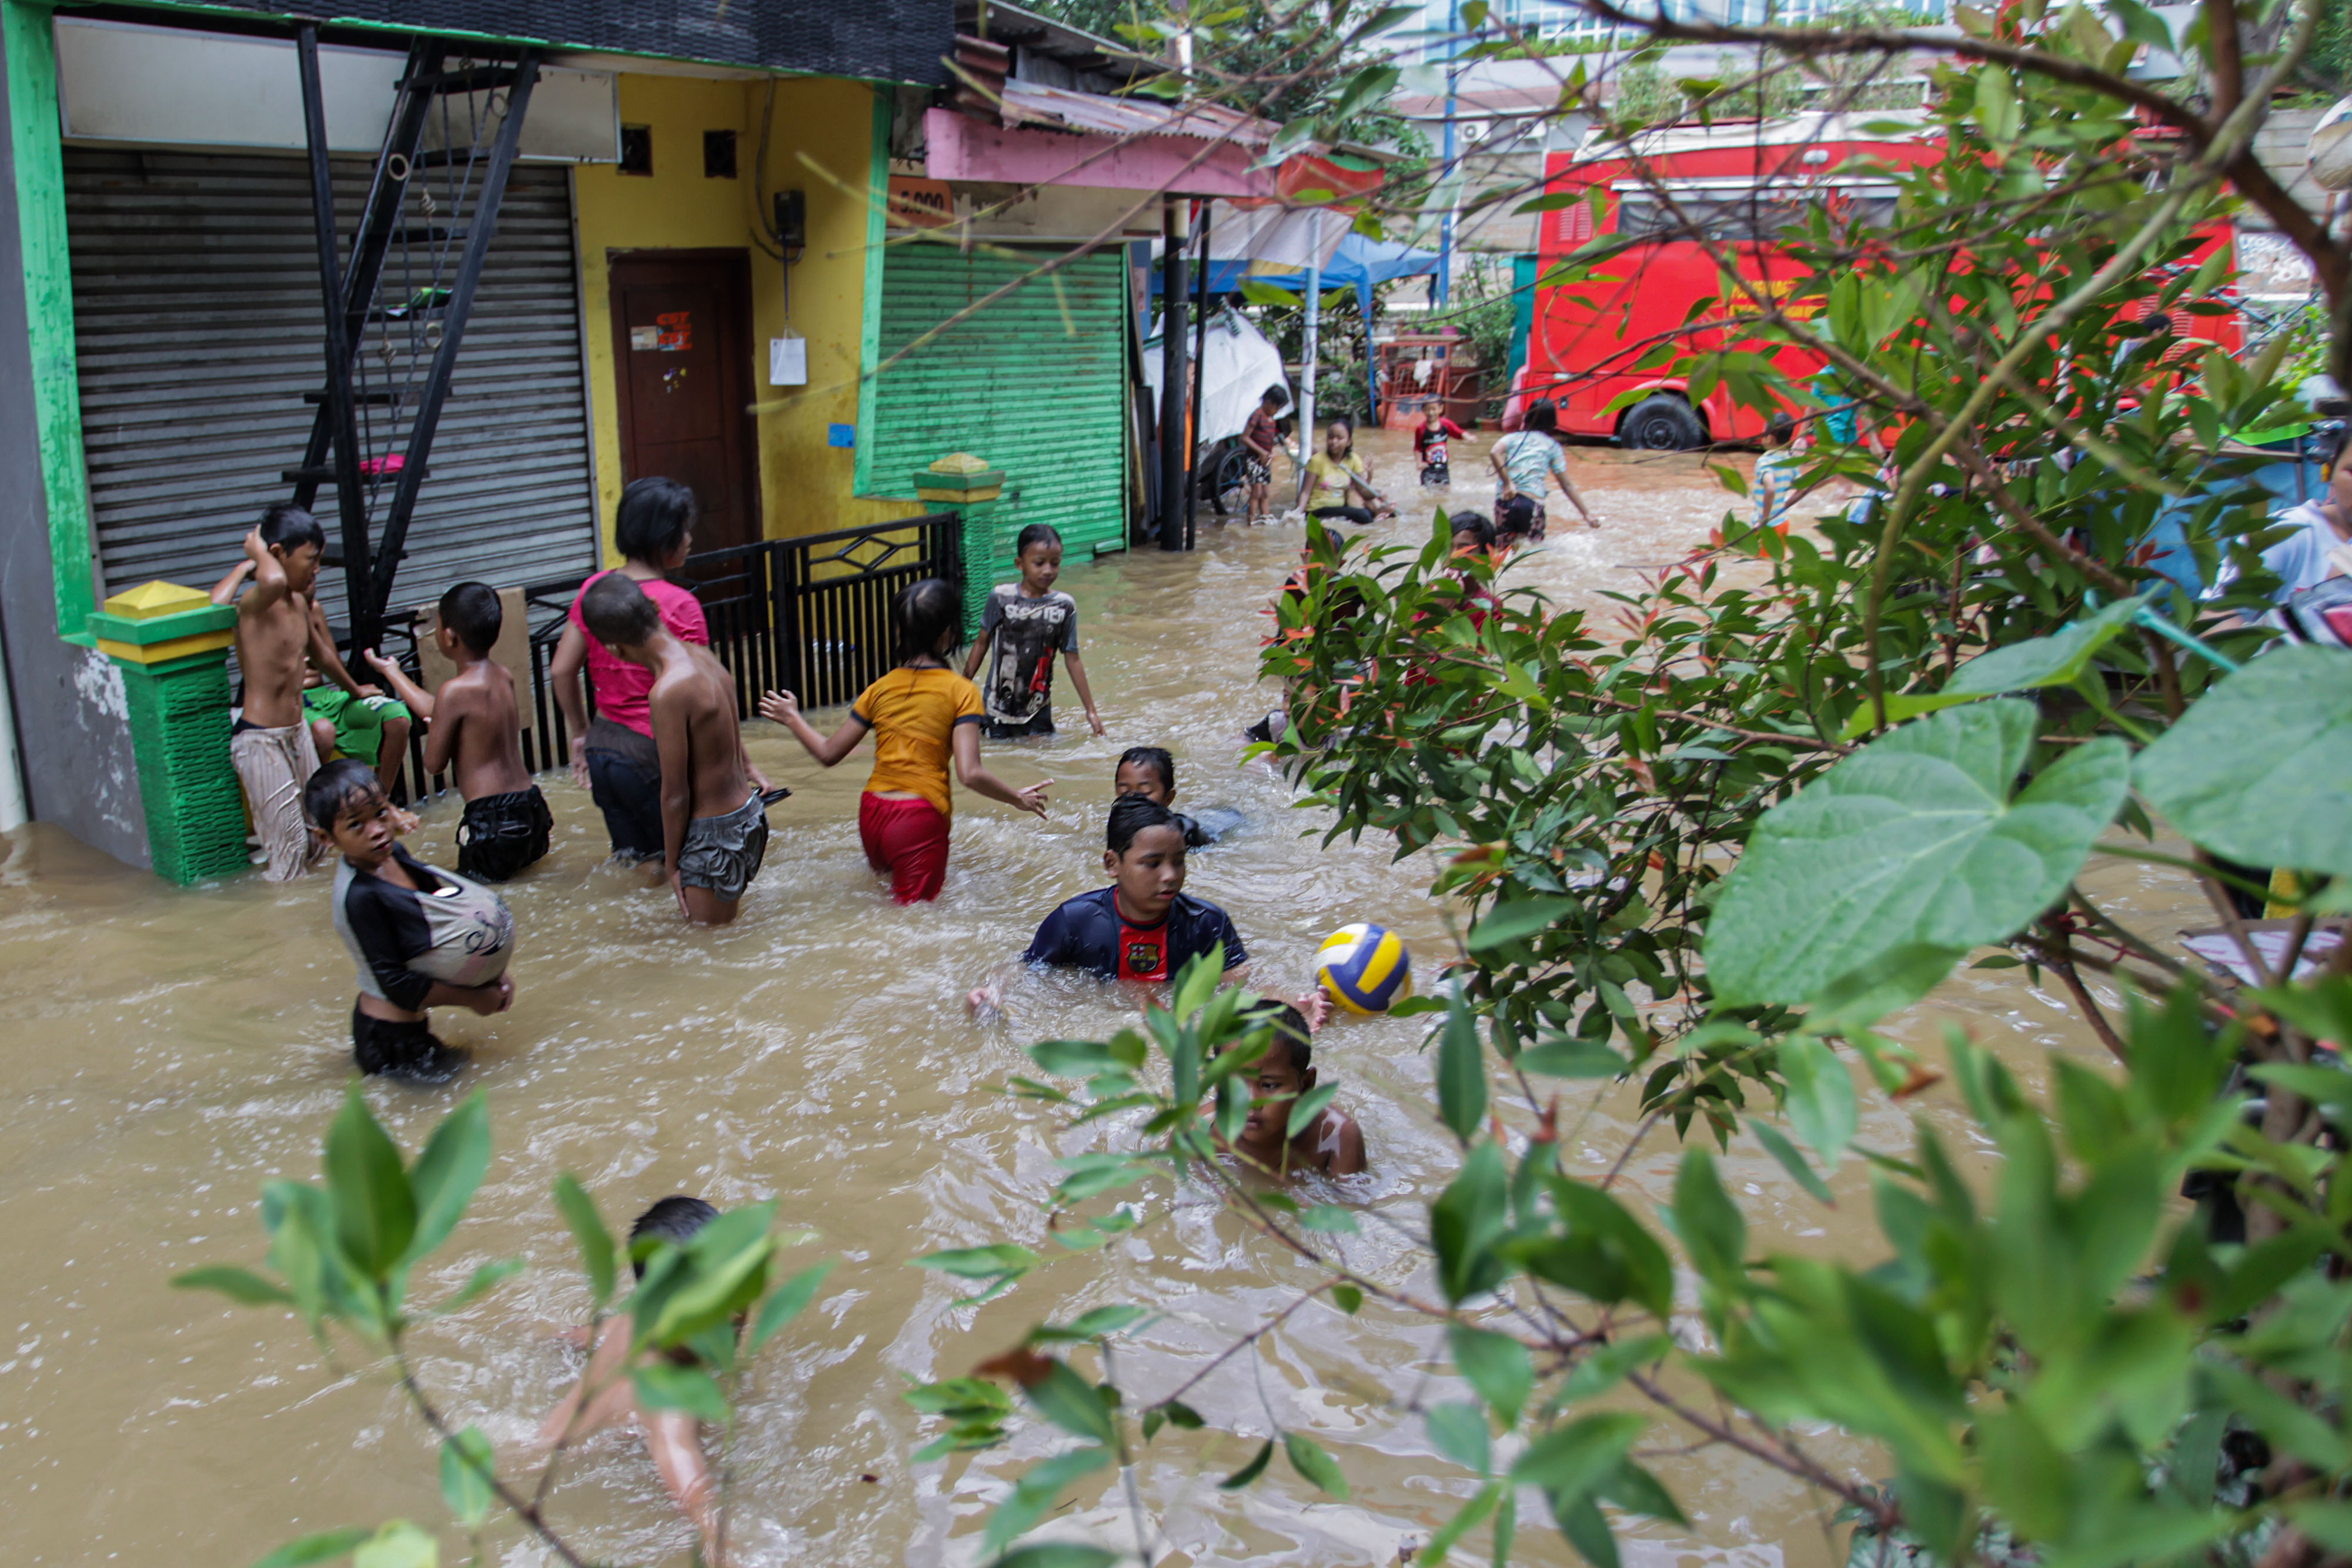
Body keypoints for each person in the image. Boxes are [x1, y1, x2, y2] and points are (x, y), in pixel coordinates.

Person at [761, 578, 1050, 904]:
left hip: (872, 813)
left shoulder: (879, 688)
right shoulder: (962, 691)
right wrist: (1015, 798)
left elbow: (828, 754)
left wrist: (792, 717)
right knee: (914, 924)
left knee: (884, 907)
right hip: (918, 818)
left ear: (902, 633)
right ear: (948, 633)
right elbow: (969, 773)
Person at [535, 1196, 731, 1566]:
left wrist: (547, 1338)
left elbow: (585, 1335)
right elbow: (697, 1499)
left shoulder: (637, 1317)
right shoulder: (670, 1399)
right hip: (546, 1473)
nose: (736, 1310)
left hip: (538, 1444)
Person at [305, 757, 514, 1080]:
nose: (377, 831)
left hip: (410, 1026)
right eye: (356, 824)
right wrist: (474, 999)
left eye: (380, 813)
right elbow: (396, 984)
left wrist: (492, 975)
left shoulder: (396, 855)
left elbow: (447, 917)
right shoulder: (361, 897)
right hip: (391, 1040)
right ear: (326, 838)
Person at [580, 573, 771, 925]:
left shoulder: (668, 691)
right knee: (727, 934)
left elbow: (675, 795)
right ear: (653, 607)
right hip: (749, 816)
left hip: (714, 835)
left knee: (708, 945)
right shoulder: (702, 656)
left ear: (613, 649)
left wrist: (672, 864)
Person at [551, 478, 711, 872]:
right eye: (685, 529)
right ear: (666, 536)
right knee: (683, 864)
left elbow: (560, 669)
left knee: (639, 865)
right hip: (655, 752)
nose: (690, 539)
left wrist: (579, 731)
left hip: (604, 749)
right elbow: (709, 695)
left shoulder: (596, 590)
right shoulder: (682, 604)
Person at [363, 582, 552, 882]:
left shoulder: (455, 692)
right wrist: (393, 673)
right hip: (532, 808)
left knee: (475, 897)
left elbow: (433, 763)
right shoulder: (502, 676)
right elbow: (443, 709)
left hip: (491, 821)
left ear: (450, 636)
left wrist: (437, 733)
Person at [215, 506, 332, 881]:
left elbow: (322, 654)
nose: (317, 569)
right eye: (311, 560)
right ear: (280, 555)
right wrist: (256, 556)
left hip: (297, 732)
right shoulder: (254, 603)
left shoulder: (298, 603)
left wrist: (356, 688)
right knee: (290, 853)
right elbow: (223, 603)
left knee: (320, 840)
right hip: (261, 741)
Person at [1020, 795, 1248, 983]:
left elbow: (1242, 987)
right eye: (1152, 864)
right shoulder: (1073, 923)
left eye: (1179, 861)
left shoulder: (1209, 924)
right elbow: (1026, 980)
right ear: (1112, 864)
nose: (1170, 876)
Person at [961, 524, 1105, 739]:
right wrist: (962, 686)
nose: (1048, 570)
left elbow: (1073, 659)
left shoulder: (1064, 606)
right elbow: (982, 643)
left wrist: (1091, 710)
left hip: (1038, 709)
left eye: (1055, 564)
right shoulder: (1001, 598)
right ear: (1020, 564)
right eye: (1039, 563)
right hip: (996, 709)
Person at [1224, 1001, 1367, 1176]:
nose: (1252, 1101)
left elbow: (1352, 1203)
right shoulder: (1202, 1130)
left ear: (1306, 1085)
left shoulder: (1336, 1137)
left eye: (1269, 1085)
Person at [1490, 400, 1597, 540]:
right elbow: (1567, 485)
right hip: (1531, 503)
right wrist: (1586, 514)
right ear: (1553, 422)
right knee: (1532, 551)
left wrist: (1508, 483)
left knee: (1504, 552)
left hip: (1506, 502)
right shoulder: (1553, 446)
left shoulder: (1512, 438)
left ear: (1527, 417)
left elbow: (1494, 452)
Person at [1111, 744, 1240, 847]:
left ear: (1169, 798)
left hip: (1225, 823)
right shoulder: (1117, 829)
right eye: (1124, 792)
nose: (1134, 799)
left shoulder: (1183, 833)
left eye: (1145, 792)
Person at [1302, 417, 1392, 527]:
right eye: (1331, 437)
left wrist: (1379, 494)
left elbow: (1363, 491)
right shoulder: (1316, 460)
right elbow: (1305, 493)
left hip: (1340, 508)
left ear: (1349, 442)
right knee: (1363, 516)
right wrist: (1298, 514)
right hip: (1318, 510)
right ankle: (1375, 522)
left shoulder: (1354, 459)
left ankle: (1378, 519)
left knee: (1385, 514)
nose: (1334, 441)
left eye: (1339, 438)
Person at [1751, 411, 1808, 534]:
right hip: (1782, 523)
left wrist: (1764, 520)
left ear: (1770, 438)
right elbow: (1803, 488)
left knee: (1760, 554)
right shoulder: (1790, 461)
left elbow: (1770, 488)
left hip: (1767, 529)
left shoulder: (1765, 462)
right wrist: (1784, 506)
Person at [1241, 384, 1288, 523]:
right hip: (1254, 460)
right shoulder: (1257, 415)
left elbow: (1269, 439)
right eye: (1277, 408)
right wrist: (1261, 452)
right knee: (1257, 492)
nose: (1277, 411)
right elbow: (1244, 437)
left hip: (1265, 461)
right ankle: (1251, 521)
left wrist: (1270, 453)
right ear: (1269, 402)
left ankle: (1265, 518)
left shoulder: (1271, 419)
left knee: (1266, 493)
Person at [1416, 406, 1469, 486]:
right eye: (1428, 410)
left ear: (1440, 409)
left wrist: (1468, 436)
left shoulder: (1446, 424)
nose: (1431, 413)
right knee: (1428, 494)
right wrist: (1419, 463)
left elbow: (1457, 432)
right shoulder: (1421, 429)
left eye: (1434, 409)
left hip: (1443, 468)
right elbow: (1417, 448)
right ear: (1423, 411)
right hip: (1428, 469)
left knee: (1446, 493)